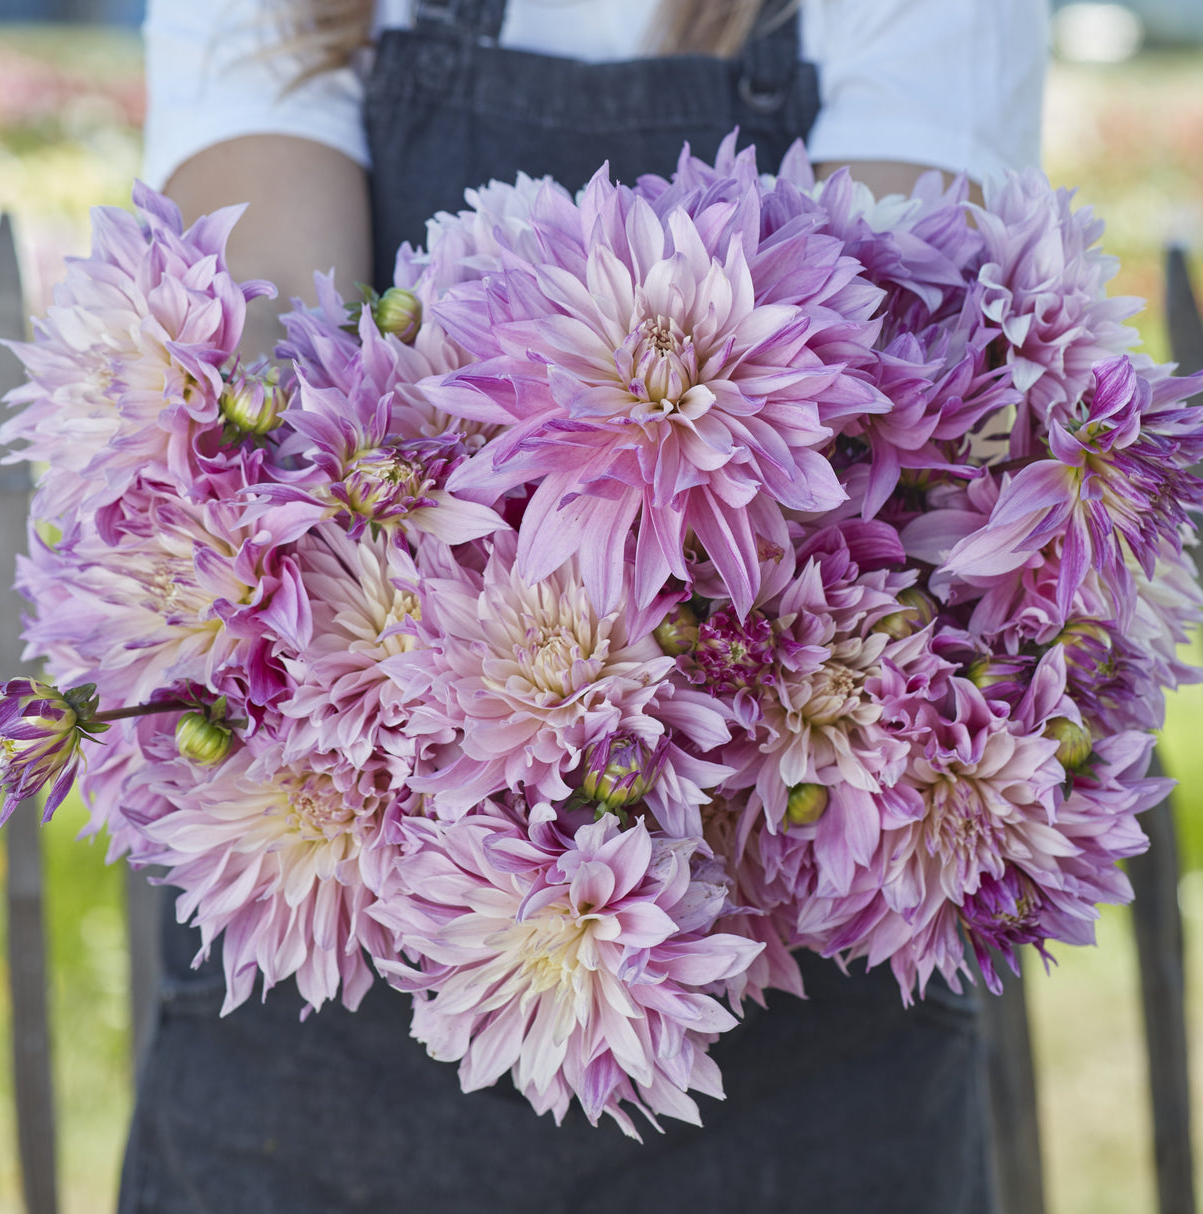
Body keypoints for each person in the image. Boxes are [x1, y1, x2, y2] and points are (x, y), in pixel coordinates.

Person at [121, 3, 1051, 1211]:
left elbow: (873, 384)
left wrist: (459, 608)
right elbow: (270, 387)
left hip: (791, 1057)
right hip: (314, 1044)